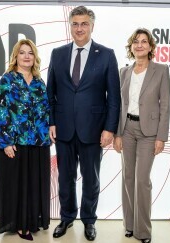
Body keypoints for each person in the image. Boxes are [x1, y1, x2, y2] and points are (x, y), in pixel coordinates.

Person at [47, 6, 120, 241]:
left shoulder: (106, 54)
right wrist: (51, 122)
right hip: (64, 129)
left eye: (84, 24)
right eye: (75, 24)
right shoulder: (57, 54)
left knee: (91, 179)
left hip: (94, 130)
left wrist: (109, 128)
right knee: (65, 177)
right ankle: (67, 217)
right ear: (70, 26)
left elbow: (114, 97)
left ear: (92, 26)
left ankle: (89, 220)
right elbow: (51, 92)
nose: (79, 28)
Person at [113, 28, 170, 243]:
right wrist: (118, 133)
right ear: (131, 47)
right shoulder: (124, 72)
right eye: (136, 41)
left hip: (149, 133)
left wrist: (161, 137)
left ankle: (143, 230)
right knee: (128, 177)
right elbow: (119, 105)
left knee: (142, 180)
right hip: (127, 129)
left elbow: (165, 105)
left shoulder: (161, 70)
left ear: (150, 47)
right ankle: (129, 224)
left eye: (144, 41)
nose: (139, 45)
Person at [0, 39, 51, 241]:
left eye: (30, 53)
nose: (26, 56)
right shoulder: (7, 80)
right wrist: (5, 141)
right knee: (16, 185)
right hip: (14, 143)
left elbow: (46, 111)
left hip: (38, 142)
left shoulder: (39, 81)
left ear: (35, 57)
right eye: (22, 52)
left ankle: (32, 221)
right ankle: (19, 224)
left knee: (34, 184)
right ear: (15, 56)